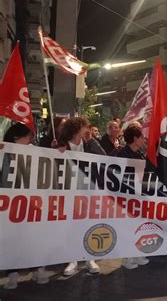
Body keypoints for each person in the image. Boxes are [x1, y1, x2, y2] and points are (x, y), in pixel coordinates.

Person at [2, 124, 50, 289]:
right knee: (13, 238)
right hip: (10, 204)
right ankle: (13, 273)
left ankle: (37, 268)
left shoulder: (34, 151)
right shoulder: (3, 151)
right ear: (16, 137)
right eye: (29, 136)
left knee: (33, 237)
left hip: (32, 202)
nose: (31, 139)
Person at [59, 117, 103, 276]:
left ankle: (89, 257)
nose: (88, 130)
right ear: (77, 129)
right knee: (71, 225)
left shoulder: (90, 144)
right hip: (69, 191)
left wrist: (91, 141)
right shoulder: (61, 145)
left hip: (88, 190)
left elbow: (104, 156)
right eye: (86, 127)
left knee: (88, 223)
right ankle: (72, 259)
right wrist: (56, 152)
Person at [117, 125, 153, 269]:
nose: (144, 140)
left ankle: (137, 253)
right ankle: (127, 258)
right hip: (126, 196)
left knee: (139, 226)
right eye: (142, 137)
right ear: (135, 139)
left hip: (139, 196)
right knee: (128, 227)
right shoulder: (121, 154)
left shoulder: (139, 154)